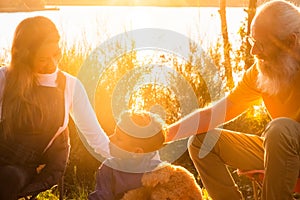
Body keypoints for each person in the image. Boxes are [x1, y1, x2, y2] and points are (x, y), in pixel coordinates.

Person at [166, 1, 300, 200]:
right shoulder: (261, 72)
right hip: (282, 148)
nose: (253, 51)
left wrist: (280, 169)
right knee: (202, 141)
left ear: (291, 42)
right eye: (251, 41)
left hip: (285, 145)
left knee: (280, 129)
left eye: (261, 44)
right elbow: (214, 114)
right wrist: (162, 136)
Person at [0, 16, 110, 199]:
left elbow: (96, 138)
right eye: (43, 58)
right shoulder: (5, 78)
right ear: (25, 55)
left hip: (29, 168)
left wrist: (131, 161)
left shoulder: (70, 85)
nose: (53, 63)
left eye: (56, 53)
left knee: (6, 179)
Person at [88, 110, 165, 200]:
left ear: (136, 152)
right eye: (114, 133)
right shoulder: (109, 168)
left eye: (118, 138)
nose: (110, 138)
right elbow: (100, 197)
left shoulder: (158, 171)